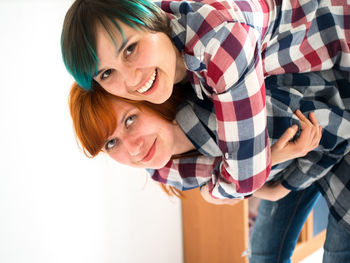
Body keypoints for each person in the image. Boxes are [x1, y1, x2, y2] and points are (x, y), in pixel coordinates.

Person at [61, 0, 350, 200]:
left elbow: (247, 177)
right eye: (108, 73)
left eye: (130, 50)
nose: (131, 80)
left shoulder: (218, 42)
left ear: (153, 20)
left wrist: (218, 191)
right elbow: (172, 170)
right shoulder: (172, 85)